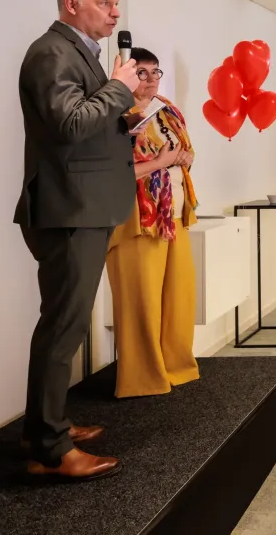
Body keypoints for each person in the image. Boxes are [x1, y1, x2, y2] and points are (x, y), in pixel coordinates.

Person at [16, 0, 140, 480]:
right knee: (62, 329)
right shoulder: (51, 53)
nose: (116, 12)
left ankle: (53, 425)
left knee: (64, 324)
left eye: (115, 3)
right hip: (69, 209)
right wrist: (117, 89)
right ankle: (49, 448)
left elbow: (85, 124)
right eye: (105, 3)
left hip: (85, 205)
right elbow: (68, 125)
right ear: (73, 4)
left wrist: (121, 112)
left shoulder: (75, 53)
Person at [105, 47, 200, 400]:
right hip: (136, 218)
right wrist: (163, 161)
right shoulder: (113, 112)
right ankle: (143, 376)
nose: (149, 81)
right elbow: (115, 170)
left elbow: (185, 152)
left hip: (172, 213)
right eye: (141, 73)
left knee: (178, 295)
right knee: (141, 301)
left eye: (154, 72)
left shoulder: (168, 110)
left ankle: (175, 366)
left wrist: (183, 158)